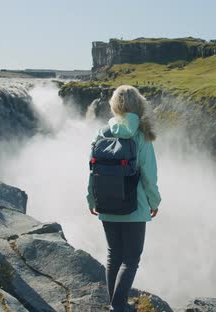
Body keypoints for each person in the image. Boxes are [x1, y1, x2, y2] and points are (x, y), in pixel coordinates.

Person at [87, 85, 161, 311]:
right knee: (131, 259)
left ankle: (115, 303)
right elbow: (149, 175)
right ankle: (118, 306)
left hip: (107, 204)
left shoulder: (102, 133)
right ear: (138, 106)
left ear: (115, 106)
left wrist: (92, 199)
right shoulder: (141, 135)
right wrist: (154, 201)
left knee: (113, 256)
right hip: (134, 207)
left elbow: (92, 170)